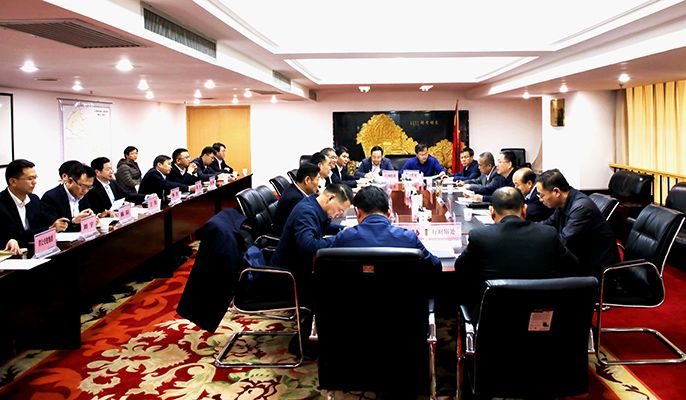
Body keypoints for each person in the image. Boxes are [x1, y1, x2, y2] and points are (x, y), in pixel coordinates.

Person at [454, 187, 579, 316]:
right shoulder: (549, 234)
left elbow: (461, 268)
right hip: (541, 316)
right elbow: (572, 266)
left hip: (494, 317)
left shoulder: (479, 236)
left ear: (492, 212)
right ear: (524, 209)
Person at [271, 183, 352, 357]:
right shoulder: (306, 212)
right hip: (289, 277)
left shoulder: (314, 205)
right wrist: (340, 240)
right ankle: (304, 342)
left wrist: (346, 231)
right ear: (330, 198)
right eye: (340, 210)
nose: (339, 214)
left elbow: (324, 227)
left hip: (300, 269)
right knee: (335, 287)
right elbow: (308, 246)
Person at [332, 186, 441, 271]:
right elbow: (435, 266)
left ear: (358, 213)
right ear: (389, 214)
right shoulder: (408, 238)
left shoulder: (344, 238)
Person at [537, 169, 620, 277]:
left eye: (542, 195)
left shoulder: (581, 208)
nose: (540, 200)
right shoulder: (564, 202)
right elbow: (548, 223)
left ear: (556, 192)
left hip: (595, 268)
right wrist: (528, 229)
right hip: (580, 258)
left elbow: (563, 241)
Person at [0, 159, 69, 251]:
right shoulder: (2, 203)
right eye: (30, 179)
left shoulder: (34, 199)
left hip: (36, 251)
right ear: (13, 182)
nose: (34, 182)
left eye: (35, 178)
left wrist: (58, 224)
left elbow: (46, 221)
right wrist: (49, 229)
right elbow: (16, 235)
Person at [41, 163, 96, 232]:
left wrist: (91, 219)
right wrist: (73, 221)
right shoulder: (51, 197)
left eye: (89, 187)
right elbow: (55, 228)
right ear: (70, 181)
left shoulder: (83, 194)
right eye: (83, 186)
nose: (85, 191)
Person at [273, 163, 320, 235]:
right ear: (307, 180)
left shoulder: (295, 188)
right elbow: (312, 222)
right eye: (317, 179)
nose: (318, 184)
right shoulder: (295, 199)